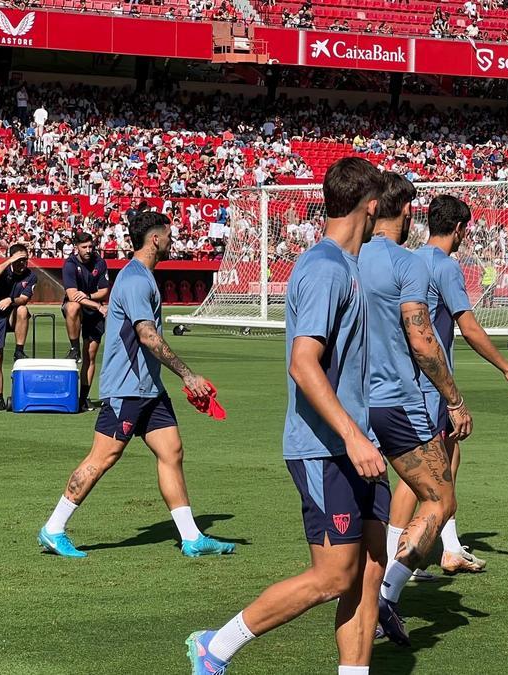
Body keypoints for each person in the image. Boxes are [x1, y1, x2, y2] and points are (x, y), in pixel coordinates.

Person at [186, 157, 387, 675]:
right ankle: (217, 646)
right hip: (325, 448)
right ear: (370, 206)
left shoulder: (347, 266)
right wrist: (353, 436)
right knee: (333, 576)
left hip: (355, 445)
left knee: (368, 569)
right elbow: (304, 363)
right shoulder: (323, 268)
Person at [38, 212, 235, 559]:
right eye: (170, 236)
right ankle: (54, 528)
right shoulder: (135, 280)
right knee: (103, 457)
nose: (173, 242)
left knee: (171, 451)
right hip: (127, 389)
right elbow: (147, 336)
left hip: (149, 389)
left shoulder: (141, 277)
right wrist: (188, 375)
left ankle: (191, 537)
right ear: (156, 239)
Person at [357, 174, 473, 646]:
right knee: (440, 499)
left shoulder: (344, 258)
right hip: (397, 402)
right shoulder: (407, 264)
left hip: (348, 408)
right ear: (404, 210)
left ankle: (361, 605)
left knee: (365, 512)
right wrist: (454, 399)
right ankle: (386, 593)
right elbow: (423, 342)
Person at [387, 195, 508, 577]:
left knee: (450, 457)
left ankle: (449, 548)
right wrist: (507, 368)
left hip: (409, 378)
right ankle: (394, 558)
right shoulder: (445, 266)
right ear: (460, 229)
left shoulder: (409, 259)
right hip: (429, 386)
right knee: (420, 470)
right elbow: (467, 326)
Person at [0, 244, 36, 411]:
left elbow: (24, 299)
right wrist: (9, 261)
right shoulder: (3, 271)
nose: (23, 264)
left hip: (12, 315)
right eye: (19, 260)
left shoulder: (31, 276)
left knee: (23, 310)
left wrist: (10, 301)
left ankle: (19, 349)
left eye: (25, 260)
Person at [61, 231, 111, 410]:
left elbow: (104, 291)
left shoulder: (100, 262)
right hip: (81, 308)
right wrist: (97, 305)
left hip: (94, 311)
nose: (88, 250)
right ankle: (74, 348)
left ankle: (83, 398)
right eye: (84, 247)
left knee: (90, 355)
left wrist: (90, 296)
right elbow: (72, 296)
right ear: (76, 248)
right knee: (73, 306)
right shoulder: (70, 265)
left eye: (90, 246)